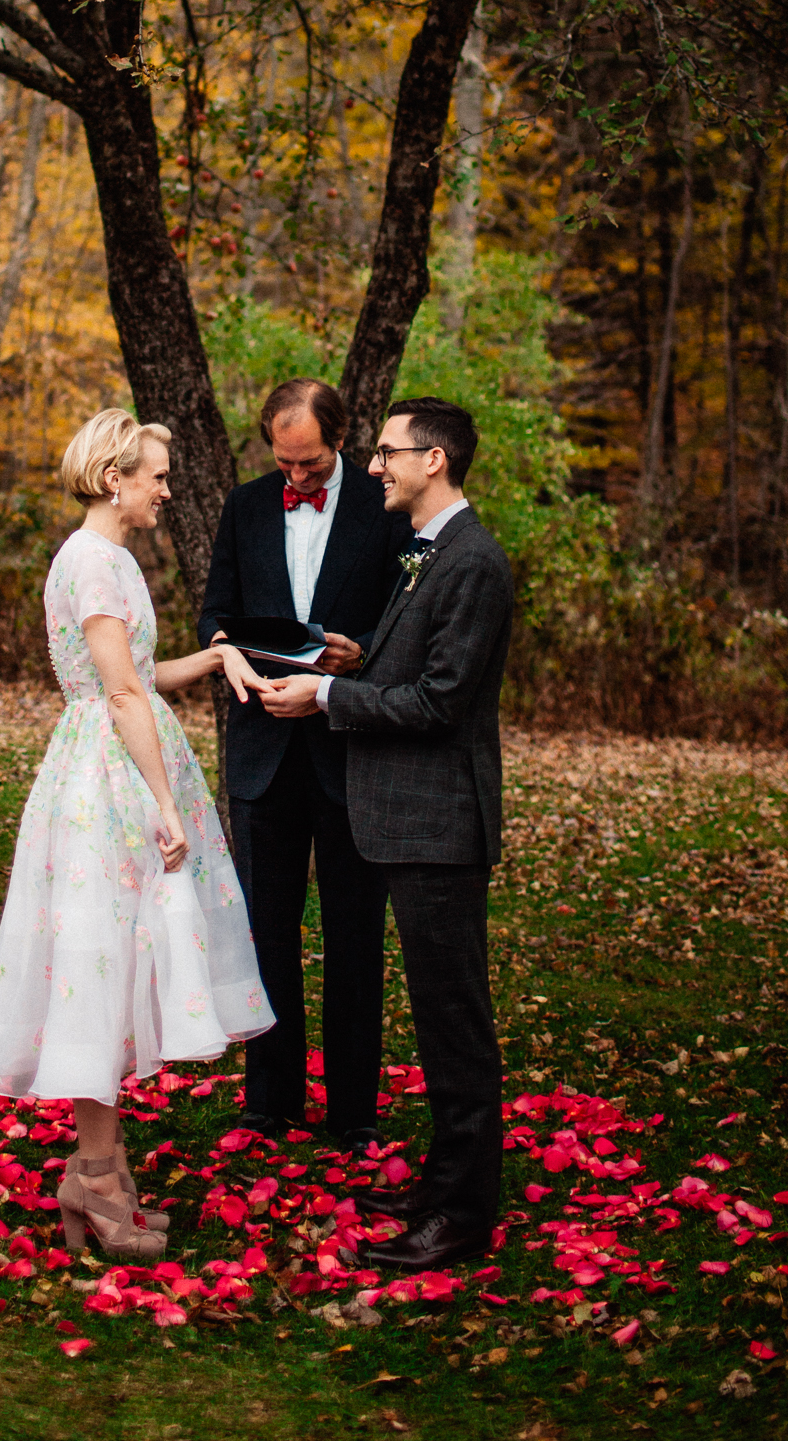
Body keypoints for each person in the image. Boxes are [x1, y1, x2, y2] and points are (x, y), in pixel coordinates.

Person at [0, 407, 276, 1259]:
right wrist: (163, 801)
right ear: (115, 479)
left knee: (121, 958)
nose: (167, 490)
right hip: (109, 778)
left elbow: (143, 677)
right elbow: (124, 697)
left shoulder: (111, 561)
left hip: (121, 759)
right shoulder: (94, 564)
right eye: (156, 476)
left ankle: (98, 1171)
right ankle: (96, 1176)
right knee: (104, 962)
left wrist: (215, 658)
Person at [260, 395, 513, 1270]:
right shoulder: (428, 553)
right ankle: (443, 1185)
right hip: (411, 820)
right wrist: (356, 657)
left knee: (454, 1022)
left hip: (440, 821)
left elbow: (442, 701)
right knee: (441, 1016)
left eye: (388, 453)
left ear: (433, 460)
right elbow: (414, 665)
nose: (374, 467)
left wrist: (328, 697)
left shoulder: (473, 561)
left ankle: (464, 1215)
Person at [199, 378, 410, 1149]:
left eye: (312, 465)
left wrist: (363, 659)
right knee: (266, 933)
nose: (297, 479)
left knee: (356, 935)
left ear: (343, 438)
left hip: (351, 750)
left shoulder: (383, 507)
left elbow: (405, 625)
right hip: (262, 753)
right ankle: (270, 1099)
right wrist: (229, 658)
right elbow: (215, 611)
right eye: (285, 465)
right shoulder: (246, 505)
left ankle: (353, 1111)